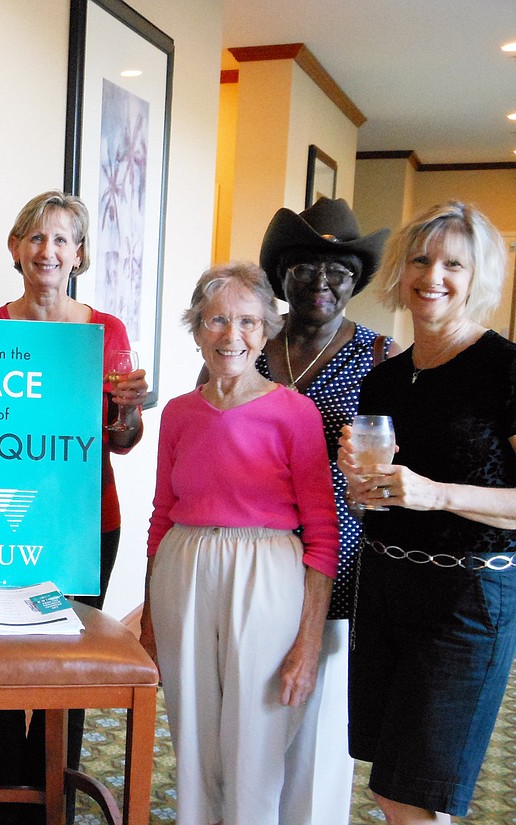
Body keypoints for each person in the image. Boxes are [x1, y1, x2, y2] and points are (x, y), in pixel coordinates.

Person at [140, 262, 339, 824]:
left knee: (256, 734)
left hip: (268, 572)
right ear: (196, 328)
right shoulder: (178, 413)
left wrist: (307, 642)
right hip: (185, 566)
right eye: (217, 320)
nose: (232, 336)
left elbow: (324, 533)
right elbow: (160, 515)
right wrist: (150, 618)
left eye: (248, 322)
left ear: (267, 331)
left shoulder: (295, 413)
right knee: (193, 729)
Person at [0, 190, 148, 825]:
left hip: (86, 522)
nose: (48, 250)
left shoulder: (107, 332)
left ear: (79, 255)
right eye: (36, 237)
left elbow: (122, 443)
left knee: (65, 668)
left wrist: (130, 407)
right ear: (16, 249)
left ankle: (53, 804)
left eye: (62, 240)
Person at [339, 201, 516, 825]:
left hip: (468, 599)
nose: (432, 275)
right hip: (386, 586)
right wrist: (365, 486)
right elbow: (382, 490)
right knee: (389, 786)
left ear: (477, 277)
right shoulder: (384, 378)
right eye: (420, 258)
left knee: (417, 791)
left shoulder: (506, 367)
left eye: (453, 264)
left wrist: (435, 493)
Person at [256, 197, 397, 825]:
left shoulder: (380, 356)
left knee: (319, 705)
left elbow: (401, 458)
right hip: (254, 546)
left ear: (356, 280)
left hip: (337, 551)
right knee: (259, 692)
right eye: (307, 266)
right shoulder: (254, 344)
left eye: (339, 269)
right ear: (283, 275)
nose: (322, 281)